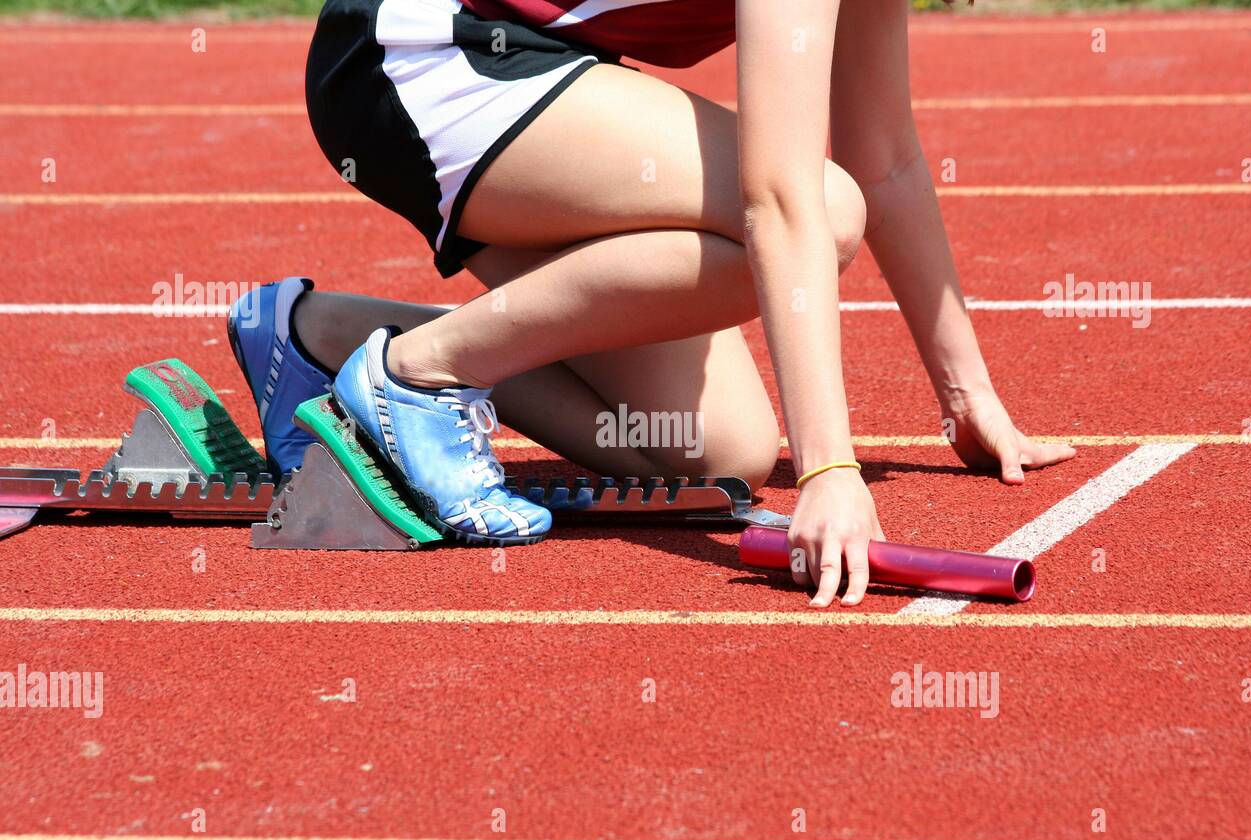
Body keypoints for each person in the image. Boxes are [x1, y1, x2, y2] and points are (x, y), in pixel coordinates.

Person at [228, 0, 1074, 604]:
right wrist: (830, 471)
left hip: (540, 69)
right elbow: (781, 200)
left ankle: (325, 341)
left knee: (714, 454)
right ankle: (417, 375)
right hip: (419, 55)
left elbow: (885, 156)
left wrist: (968, 396)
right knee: (823, 207)